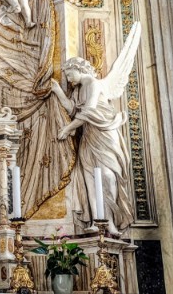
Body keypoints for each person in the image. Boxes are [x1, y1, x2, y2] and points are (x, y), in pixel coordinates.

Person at [50, 22, 141, 235]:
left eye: (69, 73)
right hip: (89, 135)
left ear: (79, 68)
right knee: (89, 175)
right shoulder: (78, 89)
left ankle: (109, 222)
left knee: (107, 175)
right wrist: (58, 92)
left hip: (104, 133)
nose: (68, 78)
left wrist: (68, 129)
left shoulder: (92, 83)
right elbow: (74, 109)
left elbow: (89, 110)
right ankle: (96, 219)